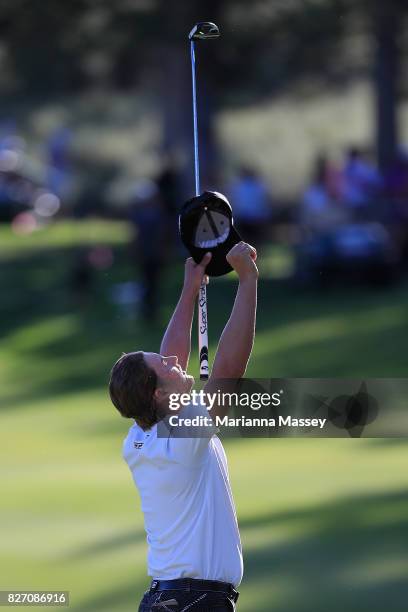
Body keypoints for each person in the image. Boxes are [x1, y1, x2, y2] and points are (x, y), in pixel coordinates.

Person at [109, 241, 258, 611]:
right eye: (165, 368)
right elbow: (228, 373)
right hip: (196, 602)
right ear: (159, 394)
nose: (175, 363)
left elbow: (171, 357)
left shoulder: (139, 437)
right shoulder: (183, 437)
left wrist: (191, 288)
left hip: (169, 598)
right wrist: (248, 281)